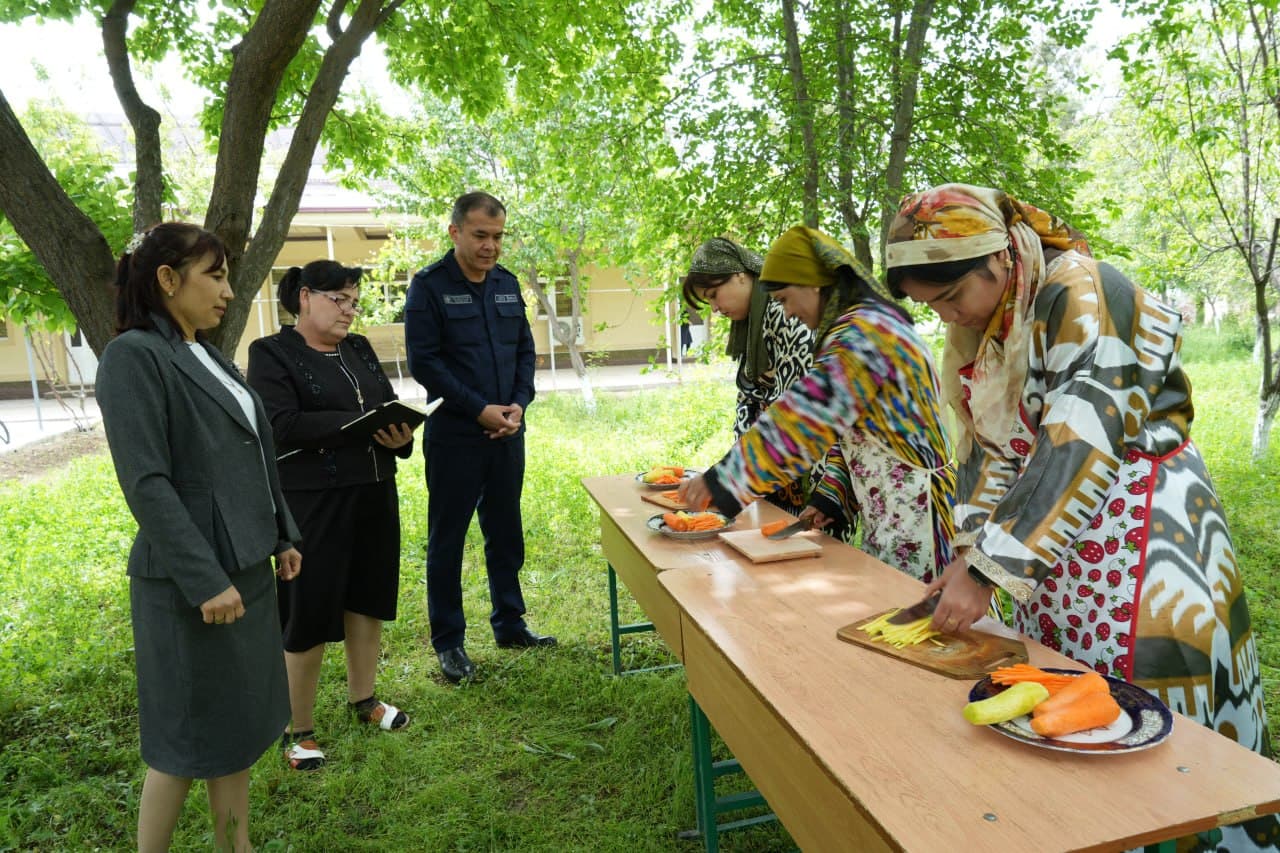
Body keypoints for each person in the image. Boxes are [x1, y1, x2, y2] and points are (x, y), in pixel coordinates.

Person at [885, 183, 1278, 849]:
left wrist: (986, 572)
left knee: (1158, 730)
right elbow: (989, 451)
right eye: (934, 306)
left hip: (1148, 534)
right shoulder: (991, 329)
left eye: (951, 297)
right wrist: (966, 554)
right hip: (1057, 546)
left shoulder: (1082, 292)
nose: (950, 316)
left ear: (999, 261)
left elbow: (1082, 436)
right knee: (1073, 711)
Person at [96, 223, 302, 852]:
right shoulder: (134, 356)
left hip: (245, 567)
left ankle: (233, 846)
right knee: (184, 741)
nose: (229, 292)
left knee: (234, 728)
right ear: (166, 279)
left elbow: (252, 452)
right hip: (193, 585)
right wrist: (205, 579)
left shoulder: (206, 353)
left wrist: (281, 534)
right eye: (214, 275)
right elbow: (148, 483)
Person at [679, 226, 956, 582]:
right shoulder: (855, 327)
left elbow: (805, 420)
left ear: (812, 283)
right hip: (892, 508)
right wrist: (831, 497)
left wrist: (723, 481)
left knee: (928, 624)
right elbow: (846, 430)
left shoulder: (866, 334)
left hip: (921, 516)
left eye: (784, 300)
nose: (788, 314)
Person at [247, 260, 414, 770]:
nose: (349, 310)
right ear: (303, 297)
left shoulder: (360, 348)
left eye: (353, 301)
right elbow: (282, 423)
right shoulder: (271, 353)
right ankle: (298, 729)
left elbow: (385, 405)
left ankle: (364, 699)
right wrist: (362, 424)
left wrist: (398, 435)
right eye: (338, 299)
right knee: (309, 610)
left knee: (368, 597)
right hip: (313, 502)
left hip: (374, 492)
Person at [405, 191, 555, 684]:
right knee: (448, 539)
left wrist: (517, 405)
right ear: (455, 233)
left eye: (497, 237)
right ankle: (449, 643)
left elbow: (526, 354)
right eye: (480, 236)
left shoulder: (508, 286)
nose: (491, 247)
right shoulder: (428, 287)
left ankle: (510, 623)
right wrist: (480, 410)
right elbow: (426, 363)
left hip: (508, 433)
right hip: (456, 436)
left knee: (505, 531)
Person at [682, 236, 816, 516]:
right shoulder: (749, 326)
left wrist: (730, 477)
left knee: (817, 555)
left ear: (740, 276)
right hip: (767, 470)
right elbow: (747, 402)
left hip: (811, 474)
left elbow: (795, 413)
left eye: (713, 296)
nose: (715, 309)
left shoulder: (786, 312)